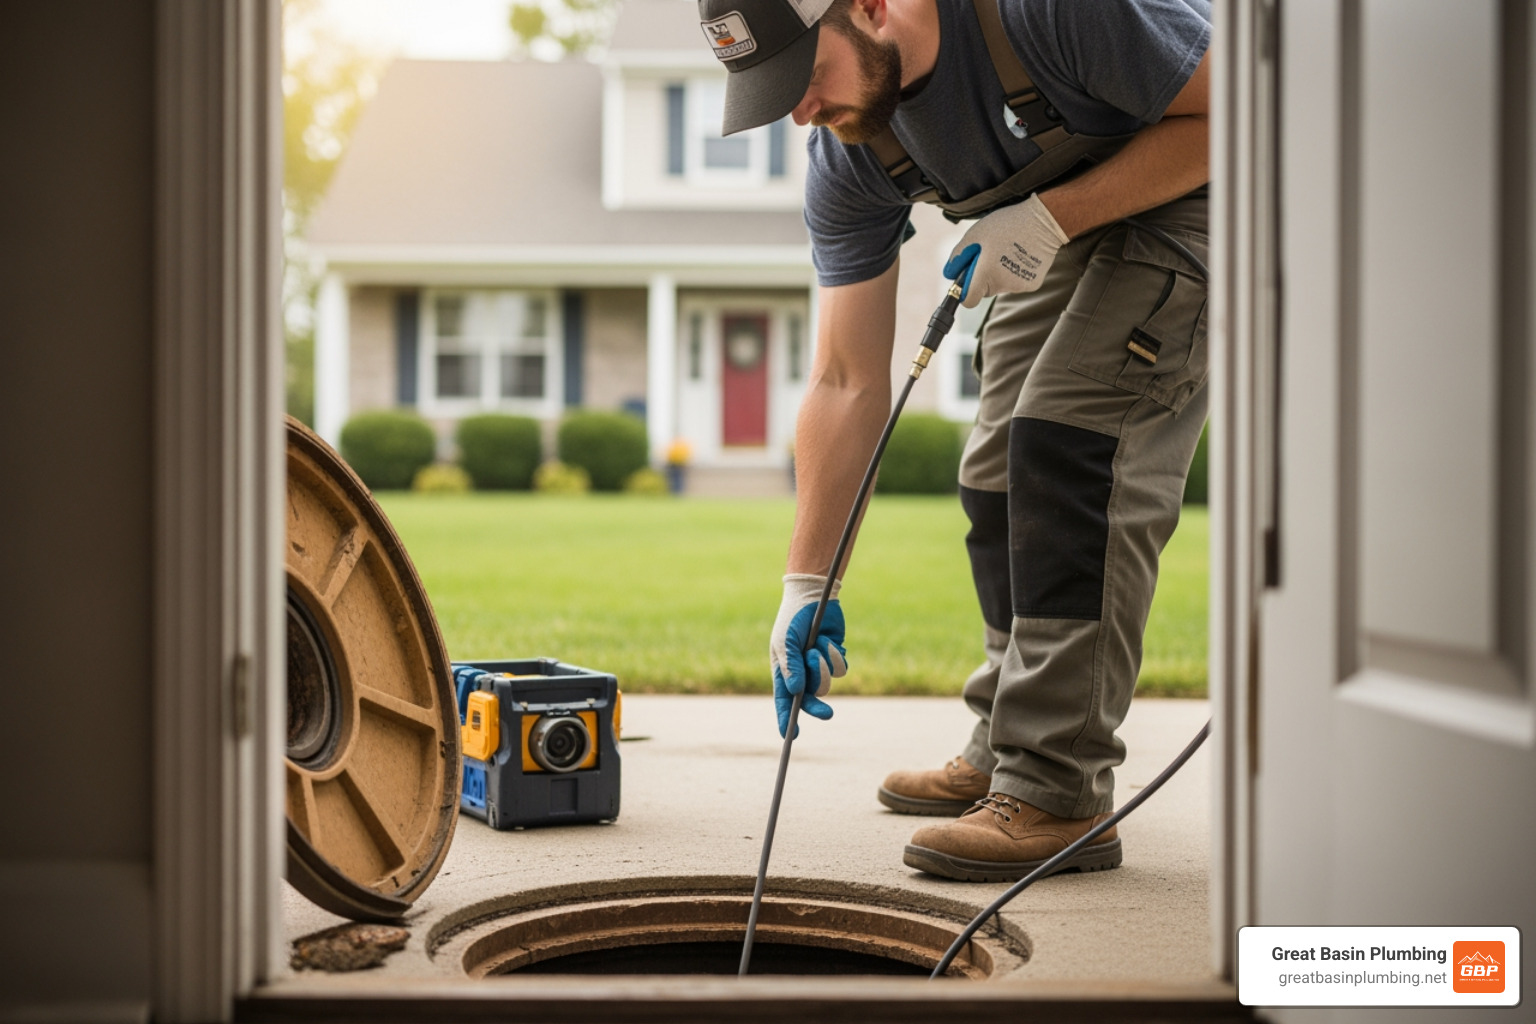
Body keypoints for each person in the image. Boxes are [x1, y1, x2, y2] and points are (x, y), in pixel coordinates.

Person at [699, 0, 1211, 881]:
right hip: (1063, 224)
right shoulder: (850, 154)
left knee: (1068, 440)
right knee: (996, 472)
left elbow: (1246, 116)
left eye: (806, 75)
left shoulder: (1056, 13)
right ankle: (1007, 742)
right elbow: (845, 379)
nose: (800, 112)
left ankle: (1055, 788)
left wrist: (1052, 216)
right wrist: (805, 585)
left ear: (871, 8)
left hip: (1199, 189)